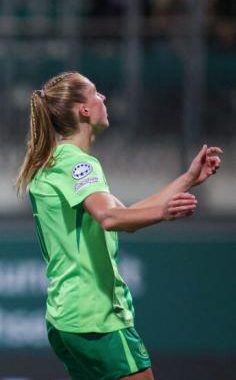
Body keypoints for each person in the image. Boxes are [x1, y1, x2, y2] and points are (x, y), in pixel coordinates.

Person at [15, 71, 222, 380]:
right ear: (83, 110)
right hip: (96, 317)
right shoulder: (79, 164)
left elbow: (124, 215)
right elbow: (111, 219)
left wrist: (187, 178)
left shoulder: (54, 162)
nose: (103, 98)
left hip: (65, 318)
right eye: (96, 93)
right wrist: (164, 212)